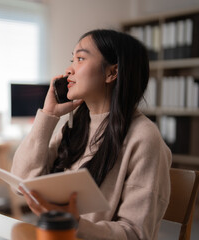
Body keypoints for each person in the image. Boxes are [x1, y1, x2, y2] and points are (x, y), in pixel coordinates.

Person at [11, 29, 172, 240]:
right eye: (72, 59)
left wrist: (76, 224)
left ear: (112, 73)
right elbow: (20, 184)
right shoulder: (76, 125)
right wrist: (48, 115)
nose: (69, 70)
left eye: (80, 58)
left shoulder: (144, 137)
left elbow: (136, 234)